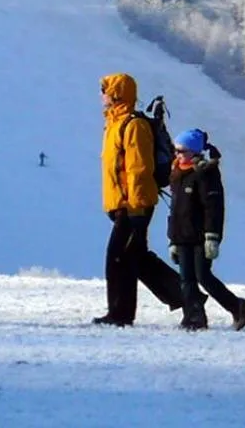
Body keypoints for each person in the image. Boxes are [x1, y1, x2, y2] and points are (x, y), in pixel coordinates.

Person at [94, 72, 184, 326]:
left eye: (104, 90)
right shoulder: (114, 124)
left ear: (116, 93)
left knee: (117, 258)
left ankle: (120, 314)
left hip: (135, 204)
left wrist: (136, 209)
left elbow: (138, 169)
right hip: (124, 204)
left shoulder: (133, 125)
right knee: (136, 257)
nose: (101, 96)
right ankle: (188, 298)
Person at [167, 129, 245, 331]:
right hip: (182, 235)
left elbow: (213, 208)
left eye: (182, 151)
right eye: (176, 150)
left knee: (203, 276)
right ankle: (194, 317)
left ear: (194, 152)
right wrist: (173, 239)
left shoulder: (205, 174)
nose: (177, 154)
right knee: (186, 279)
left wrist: (212, 237)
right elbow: (175, 210)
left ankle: (235, 305)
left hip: (201, 236)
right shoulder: (177, 173)